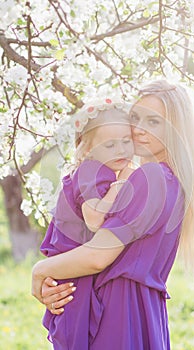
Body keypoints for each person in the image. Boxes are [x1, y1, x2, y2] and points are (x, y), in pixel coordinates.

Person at [32, 79, 194, 350]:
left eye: (154, 122)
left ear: (176, 130)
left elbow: (97, 256)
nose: (138, 129)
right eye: (136, 117)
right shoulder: (172, 182)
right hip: (145, 311)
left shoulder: (150, 178)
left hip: (118, 311)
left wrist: (40, 270)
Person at [38, 98, 135, 348]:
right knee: (77, 336)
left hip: (69, 265)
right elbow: (94, 219)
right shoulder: (95, 170)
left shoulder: (85, 171)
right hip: (74, 268)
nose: (121, 150)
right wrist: (121, 186)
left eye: (127, 141)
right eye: (110, 145)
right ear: (86, 149)